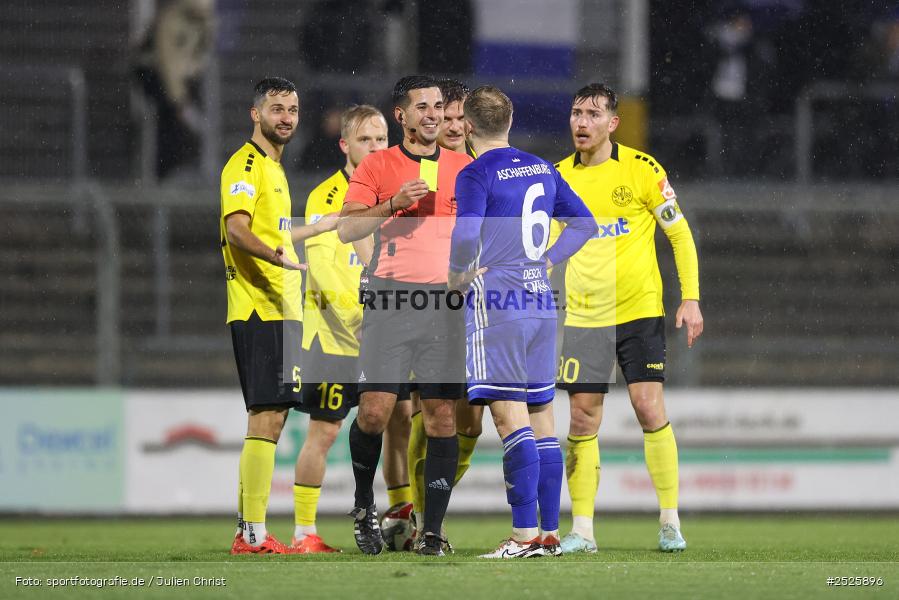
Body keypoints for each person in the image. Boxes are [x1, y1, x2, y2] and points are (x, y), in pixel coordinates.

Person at [553, 83, 703, 554]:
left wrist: (691, 298)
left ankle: (669, 521)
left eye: (593, 114)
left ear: (612, 123)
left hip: (638, 310)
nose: (582, 122)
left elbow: (679, 235)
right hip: (583, 316)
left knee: (647, 407)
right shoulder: (557, 177)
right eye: (577, 113)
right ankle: (582, 529)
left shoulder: (642, 170)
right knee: (582, 417)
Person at [448, 85, 597, 558]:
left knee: (510, 420)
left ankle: (523, 536)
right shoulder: (543, 167)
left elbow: (467, 232)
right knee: (542, 421)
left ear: (468, 127)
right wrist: (548, 261)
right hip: (540, 303)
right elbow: (585, 224)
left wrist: (457, 276)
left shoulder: (475, 173)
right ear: (508, 122)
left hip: (499, 303)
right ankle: (550, 533)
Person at [336, 75, 472, 556]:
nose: (433, 114)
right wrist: (393, 203)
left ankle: (432, 530)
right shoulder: (378, 164)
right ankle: (362, 506)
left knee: (440, 418)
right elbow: (347, 230)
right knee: (374, 412)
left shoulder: (464, 167)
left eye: (438, 106)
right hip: (391, 300)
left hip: (445, 305)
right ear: (402, 116)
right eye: (422, 107)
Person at [222, 77, 337, 555]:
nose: (286, 117)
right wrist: (274, 258)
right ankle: (250, 532)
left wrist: (316, 229)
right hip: (258, 305)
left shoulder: (273, 167)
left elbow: (273, 233)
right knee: (264, 416)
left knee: (271, 418)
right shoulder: (246, 164)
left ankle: (252, 529)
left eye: (292, 109)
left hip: (281, 307)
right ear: (256, 114)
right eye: (276, 109)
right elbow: (237, 229)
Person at [291, 104, 390, 553]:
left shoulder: (393, 196)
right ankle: (304, 530)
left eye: (381, 139)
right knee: (325, 432)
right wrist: (362, 321)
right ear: (344, 145)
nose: (374, 147)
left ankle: (397, 518)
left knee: (394, 424)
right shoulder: (326, 195)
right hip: (335, 338)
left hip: (384, 337)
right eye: (365, 140)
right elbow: (324, 271)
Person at [405, 78, 482, 539]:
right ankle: (422, 517)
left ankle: (426, 503)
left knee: (471, 421)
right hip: (432, 306)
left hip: (478, 310)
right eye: (445, 117)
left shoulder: (483, 167)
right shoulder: (426, 169)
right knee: (431, 411)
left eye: (459, 118)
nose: (452, 126)